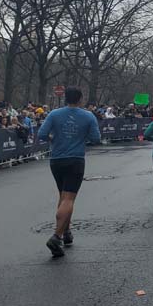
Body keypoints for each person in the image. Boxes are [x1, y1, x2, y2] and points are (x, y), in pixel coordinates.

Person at [37, 86, 101, 257]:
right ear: (80, 99)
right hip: (75, 159)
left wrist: (53, 139)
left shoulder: (54, 114)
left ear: (65, 98)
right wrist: (81, 138)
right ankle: (56, 235)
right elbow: (96, 138)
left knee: (63, 196)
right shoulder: (88, 116)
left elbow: (41, 134)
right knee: (69, 198)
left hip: (56, 159)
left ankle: (67, 232)